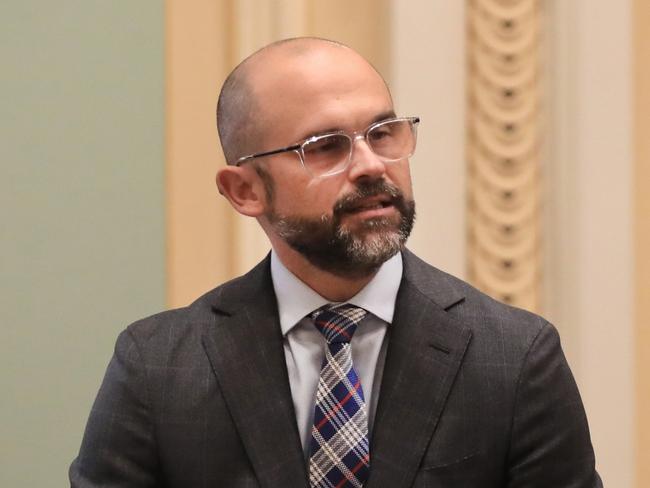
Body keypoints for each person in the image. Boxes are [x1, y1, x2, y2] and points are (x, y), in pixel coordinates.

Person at [70, 37, 602, 488]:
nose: (372, 166)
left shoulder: (514, 359)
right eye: (326, 146)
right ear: (245, 190)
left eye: (382, 133)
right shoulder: (158, 368)